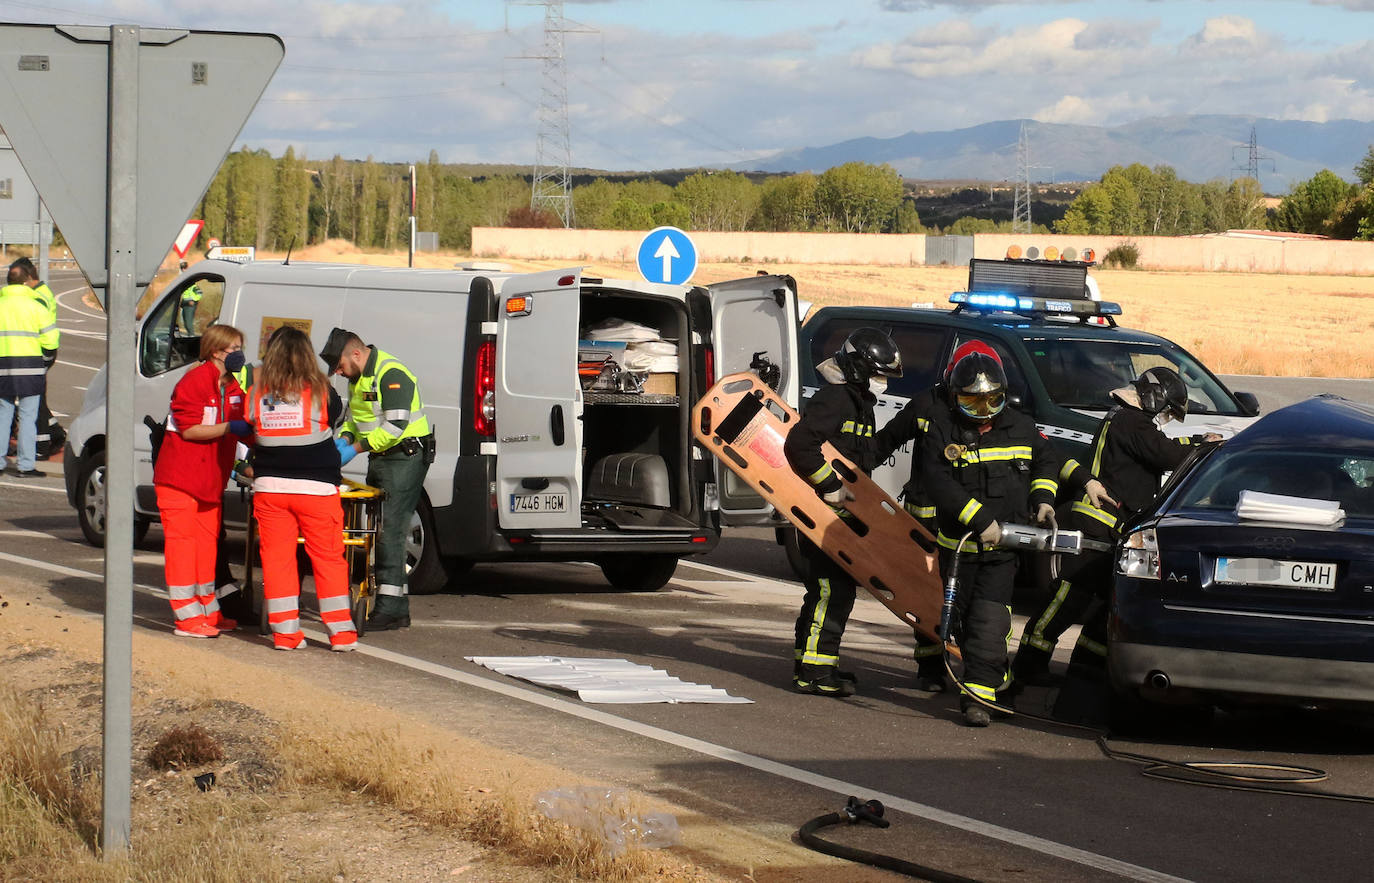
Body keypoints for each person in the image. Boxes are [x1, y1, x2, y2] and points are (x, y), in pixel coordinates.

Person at [1012, 366, 1219, 685]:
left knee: (1104, 603)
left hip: (1110, 526)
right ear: (1153, 399)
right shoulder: (1131, 421)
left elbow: (1159, 444)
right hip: (1098, 524)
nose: (1163, 419)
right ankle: (1029, 664)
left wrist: (1195, 441)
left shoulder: (1126, 420)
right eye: (1165, 412)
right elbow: (1165, 453)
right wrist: (1204, 448)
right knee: (1070, 598)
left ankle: (1084, 671)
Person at [919, 343, 1059, 726]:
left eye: (991, 401)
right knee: (961, 620)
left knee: (990, 618)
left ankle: (978, 698)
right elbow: (938, 482)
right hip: (960, 549)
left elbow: (1047, 460)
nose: (983, 412)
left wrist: (1043, 497)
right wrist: (980, 520)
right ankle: (993, 678)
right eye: (972, 403)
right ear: (954, 397)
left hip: (1004, 552)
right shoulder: (941, 429)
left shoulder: (1022, 426)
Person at [783, 327, 903, 697]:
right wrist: (830, 487)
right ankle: (815, 673)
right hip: (824, 512)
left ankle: (812, 661)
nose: (881, 382)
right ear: (856, 367)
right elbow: (801, 445)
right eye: (877, 373)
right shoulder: (836, 399)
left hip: (840, 512)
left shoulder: (857, 400)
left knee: (824, 591)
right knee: (831, 591)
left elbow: (860, 458)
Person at [246, 326, 357, 651]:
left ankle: (285, 635)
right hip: (317, 488)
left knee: (278, 560)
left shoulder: (257, 391)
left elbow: (250, 423)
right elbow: (335, 418)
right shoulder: (322, 390)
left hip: (271, 488)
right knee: (328, 559)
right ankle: (342, 635)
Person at [320, 327, 433, 631]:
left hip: (404, 456)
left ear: (355, 353)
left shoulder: (390, 372)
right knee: (382, 530)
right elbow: (359, 421)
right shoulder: (360, 378)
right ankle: (395, 603)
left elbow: (396, 426)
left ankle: (390, 608)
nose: (340, 374)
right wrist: (344, 437)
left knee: (391, 531)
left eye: (341, 366)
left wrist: (354, 448)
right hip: (384, 458)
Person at [154, 324, 250, 638]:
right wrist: (229, 428)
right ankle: (186, 618)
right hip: (181, 479)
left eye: (240, 347)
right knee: (183, 547)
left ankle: (208, 610)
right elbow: (189, 429)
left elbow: (244, 423)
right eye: (232, 348)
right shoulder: (194, 382)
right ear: (214, 351)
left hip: (210, 481)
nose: (238, 354)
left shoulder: (234, 387)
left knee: (206, 548)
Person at [0, 266, 59, 477]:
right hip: (29, 368)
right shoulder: (36, 305)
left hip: (2, 367)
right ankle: (25, 466)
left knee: (3, 415)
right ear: (26, 282)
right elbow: (51, 339)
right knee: (28, 417)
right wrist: (44, 362)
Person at [178, 262, 202, 334]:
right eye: (182, 268)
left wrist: (194, 301)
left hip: (190, 304)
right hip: (184, 303)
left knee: (188, 323)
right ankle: (190, 335)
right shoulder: (183, 277)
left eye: (185, 268)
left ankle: (191, 336)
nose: (183, 269)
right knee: (185, 322)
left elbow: (199, 293)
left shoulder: (190, 279)